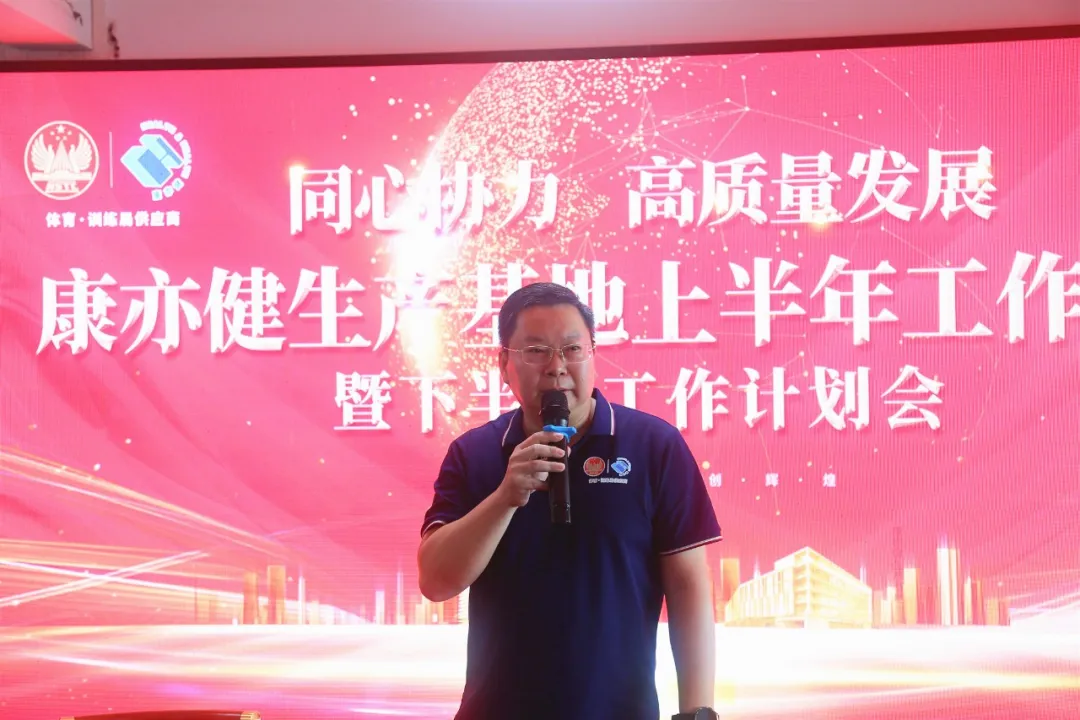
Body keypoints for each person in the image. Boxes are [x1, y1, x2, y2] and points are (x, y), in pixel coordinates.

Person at [418, 282, 722, 720]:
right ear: (504, 364)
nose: (556, 367)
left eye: (572, 349)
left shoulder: (655, 447)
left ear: (592, 355)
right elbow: (435, 581)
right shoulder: (473, 454)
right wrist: (505, 498)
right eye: (536, 351)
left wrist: (698, 712)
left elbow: (688, 585)